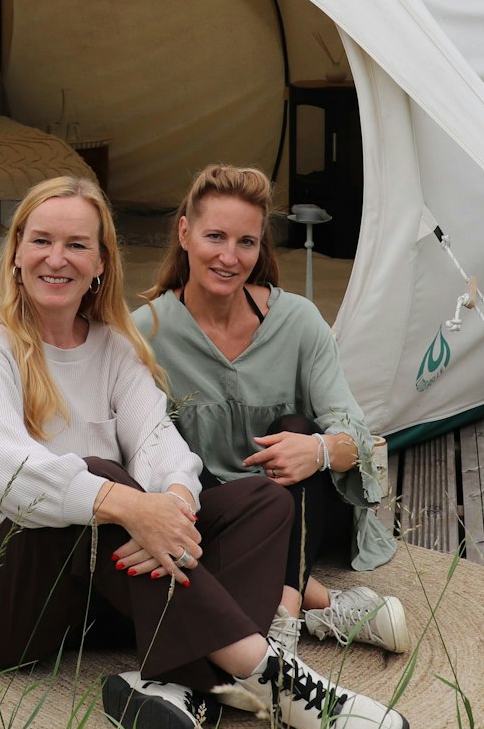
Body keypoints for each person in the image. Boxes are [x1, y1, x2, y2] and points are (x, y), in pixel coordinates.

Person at [0, 176, 409, 729]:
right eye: (42, 241)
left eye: (77, 244)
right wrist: (129, 504)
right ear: (17, 254)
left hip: (86, 600)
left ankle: (172, 685)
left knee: (261, 501)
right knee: (100, 484)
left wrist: (174, 502)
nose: (57, 259)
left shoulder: (116, 345)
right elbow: (6, 475)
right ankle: (274, 678)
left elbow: (158, 442)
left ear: (101, 261)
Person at [133, 164, 409, 657]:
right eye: (214, 236)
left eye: (246, 242)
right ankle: (321, 602)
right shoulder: (146, 332)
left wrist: (319, 451)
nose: (228, 256)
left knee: (298, 428)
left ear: (261, 248)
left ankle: (280, 615)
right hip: (212, 517)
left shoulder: (297, 321)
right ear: (184, 232)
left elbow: (359, 440)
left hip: (306, 511)